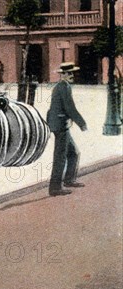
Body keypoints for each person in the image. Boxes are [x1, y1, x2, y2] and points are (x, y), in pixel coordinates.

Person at [47, 62, 88, 196]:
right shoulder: (64, 87)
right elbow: (70, 108)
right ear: (62, 74)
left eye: (72, 73)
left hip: (60, 124)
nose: (71, 75)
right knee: (60, 156)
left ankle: (69, 179)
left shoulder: (63, 86)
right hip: (60, 125)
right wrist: (81, 123)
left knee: (74, 153)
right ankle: (55, 187)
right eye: (69, 73)